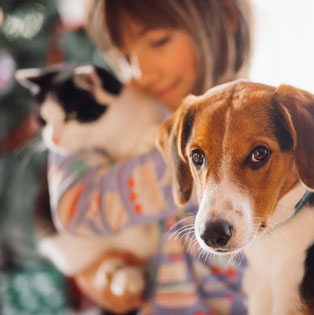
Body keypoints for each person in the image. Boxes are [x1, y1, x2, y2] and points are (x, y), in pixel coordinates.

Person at [48, 0, 252, 313]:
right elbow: (73, 206)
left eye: (158, 42)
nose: (141, 73)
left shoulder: (273, 127)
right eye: (124, 56)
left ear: (226, 18)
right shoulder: (107, 114)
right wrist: (91, 274)